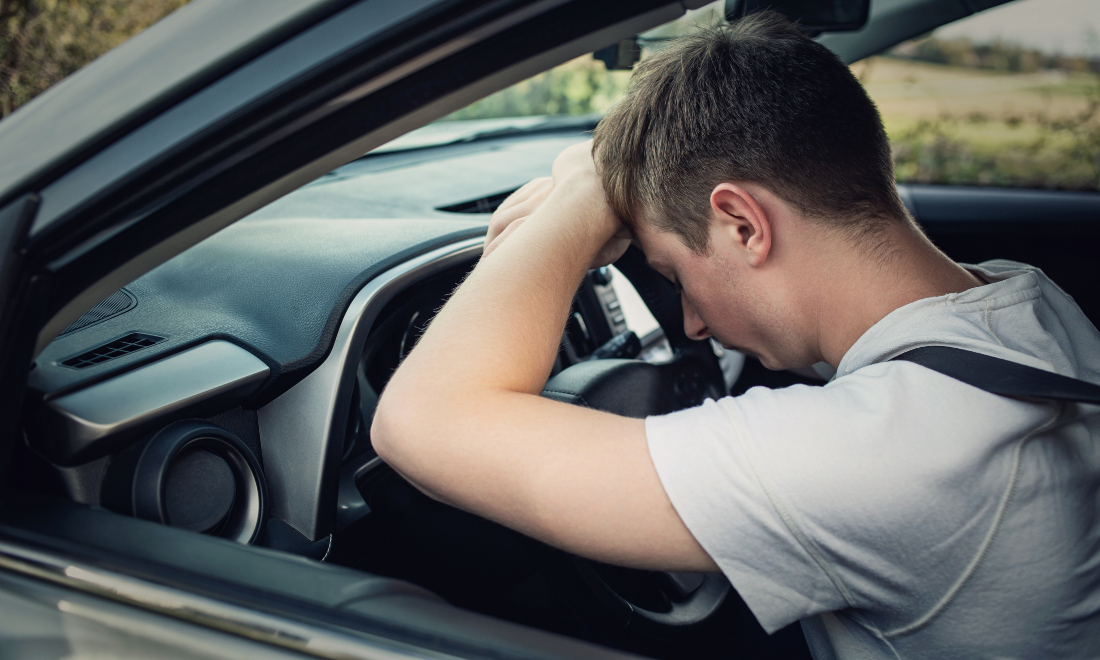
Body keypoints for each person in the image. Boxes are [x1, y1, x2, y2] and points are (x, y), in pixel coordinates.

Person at [371, 12, 1100, 658]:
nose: (689, 323)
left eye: (675, 274)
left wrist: (588, 191)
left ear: (744, 225)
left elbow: (421, 423)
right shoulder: (1021, 298)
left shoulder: (881, 458)